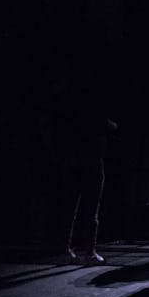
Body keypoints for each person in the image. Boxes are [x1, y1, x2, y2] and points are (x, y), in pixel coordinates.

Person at [41, 70, 116, 265]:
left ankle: (65, 249)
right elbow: (109, 126)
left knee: (69, 207)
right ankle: (89, 251)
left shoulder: (68, 110)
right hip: (92, 160)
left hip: (72, 160)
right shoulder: (95, 109)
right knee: (91, 209)